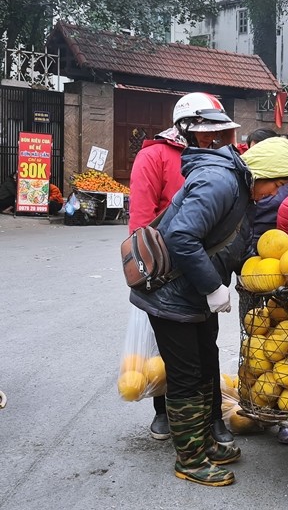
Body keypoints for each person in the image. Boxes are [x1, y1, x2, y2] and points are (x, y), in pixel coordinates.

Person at [130, 93, 288, 487]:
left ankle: (204, 441)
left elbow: (225, 241)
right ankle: (189, 458)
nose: (274, 193)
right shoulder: (221, 182)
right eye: (275, 185)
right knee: (187, 376)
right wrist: (211, 286)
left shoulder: (239, 188)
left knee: (206, 365)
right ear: (263, 174)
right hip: (171, 295)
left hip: (191, 296)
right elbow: (181, 236)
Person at [127, 126, 187, 441]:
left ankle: (195, 413)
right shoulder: (154, 155)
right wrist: (148, 270)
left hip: (198, 265)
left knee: (200, 343)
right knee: (160, 343)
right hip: (162, 267)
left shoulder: (212, 156)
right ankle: (162, 411)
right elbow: (140, 220)